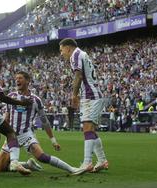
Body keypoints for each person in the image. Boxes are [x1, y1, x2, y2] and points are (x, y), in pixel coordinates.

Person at [0, 71, 81, 175]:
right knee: (0, 168)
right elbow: (7, 117)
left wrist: (53, 141)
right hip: (12, 135)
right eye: (16, 78)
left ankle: (72, 169)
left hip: (26, 134)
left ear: (27, 81)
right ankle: (28, 165)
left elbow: (44, 122)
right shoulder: (11, 96)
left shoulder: (36, 100)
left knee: (42, 156)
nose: (17, 80)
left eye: (20, 78)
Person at [59, 38, 108, 175]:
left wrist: (74, 95)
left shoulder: (75, 55)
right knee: (90, 129)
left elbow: (79, 76)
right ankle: (102, 160)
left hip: (90, 95)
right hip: (92, 94)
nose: (61, 53)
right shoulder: (82, 54)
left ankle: (87, 162)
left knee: (87, 127)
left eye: (61, 50)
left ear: (68, 48)